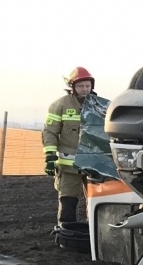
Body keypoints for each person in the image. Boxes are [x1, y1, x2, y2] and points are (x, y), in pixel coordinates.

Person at [43, 67, 100, 227]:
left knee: (97, 202)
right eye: (81, 86)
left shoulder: (99, 105)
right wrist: (50, 157)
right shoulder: (60, 105)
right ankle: (65, 233)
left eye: (88, 86)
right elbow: (50, 132)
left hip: (94, 165)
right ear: (72, 87)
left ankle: (95, 235)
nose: (85, 89)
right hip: (69, 167)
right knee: (68, 201)